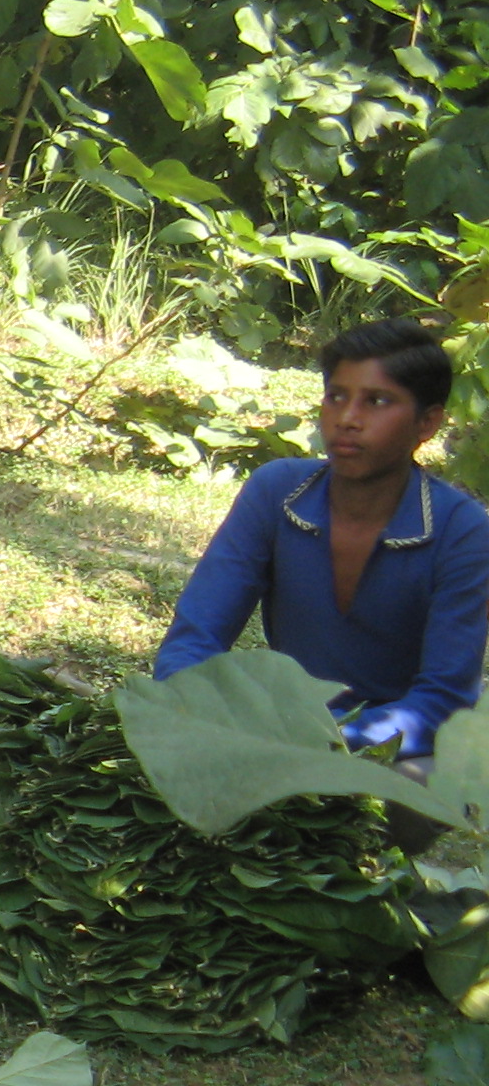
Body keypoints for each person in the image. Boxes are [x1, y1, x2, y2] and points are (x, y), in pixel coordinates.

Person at [155, 317, 489, 773]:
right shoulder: (277, 492)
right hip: (272, 724)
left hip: (387, 746)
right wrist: (197, 707)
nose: (347, 419)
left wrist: (321, 742)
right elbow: (196, 636)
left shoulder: (461, 530)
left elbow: (444, 701)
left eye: (377, 401)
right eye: (336, 397)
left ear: (427, 422)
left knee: (414, 785)